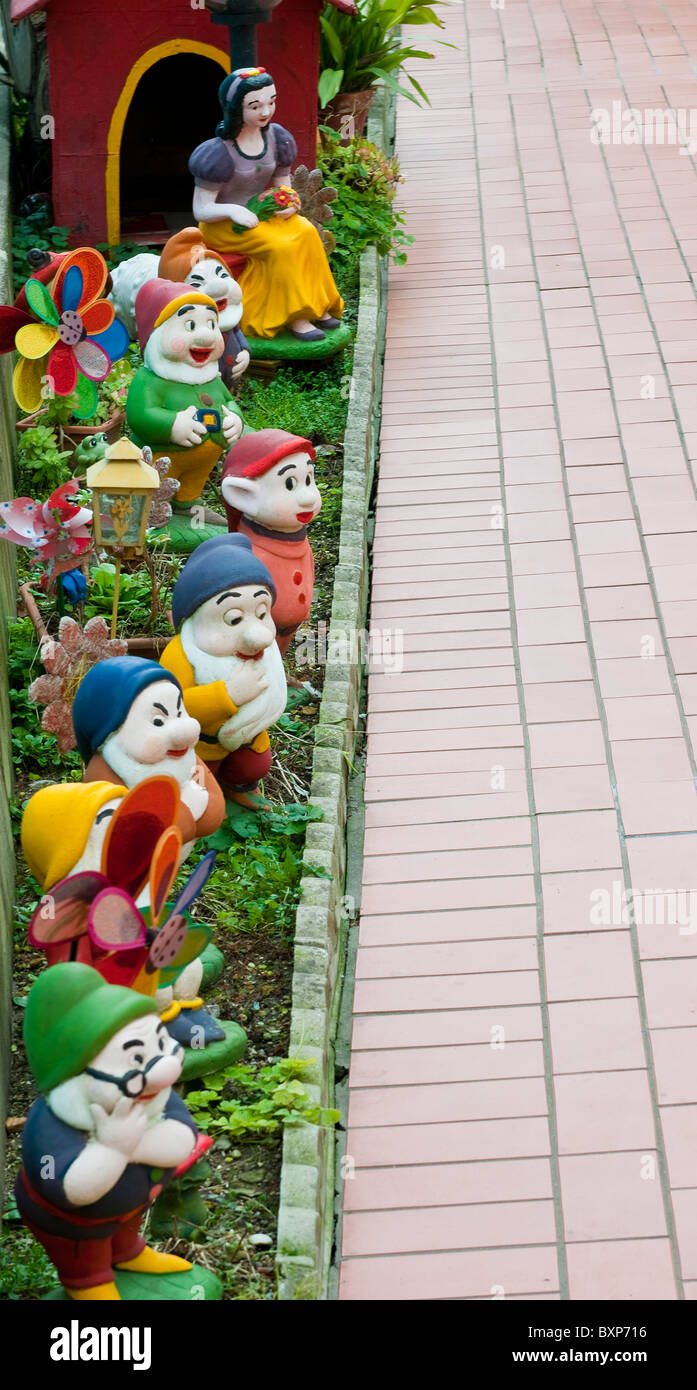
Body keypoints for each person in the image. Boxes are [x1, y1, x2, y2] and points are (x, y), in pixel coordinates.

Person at [189, 67, 344, 342]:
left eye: (271, 102)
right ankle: (297, 316)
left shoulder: (276, 137)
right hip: (224, 225)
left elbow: (282, 184)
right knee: (281, 247)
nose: (266, 111)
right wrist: (233, 210)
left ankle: (321, 304)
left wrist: (289, 202)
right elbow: (201, 210)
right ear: (236, 108)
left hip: (264, 214)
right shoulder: (218, 152)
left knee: (307, 232)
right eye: (256, 105)